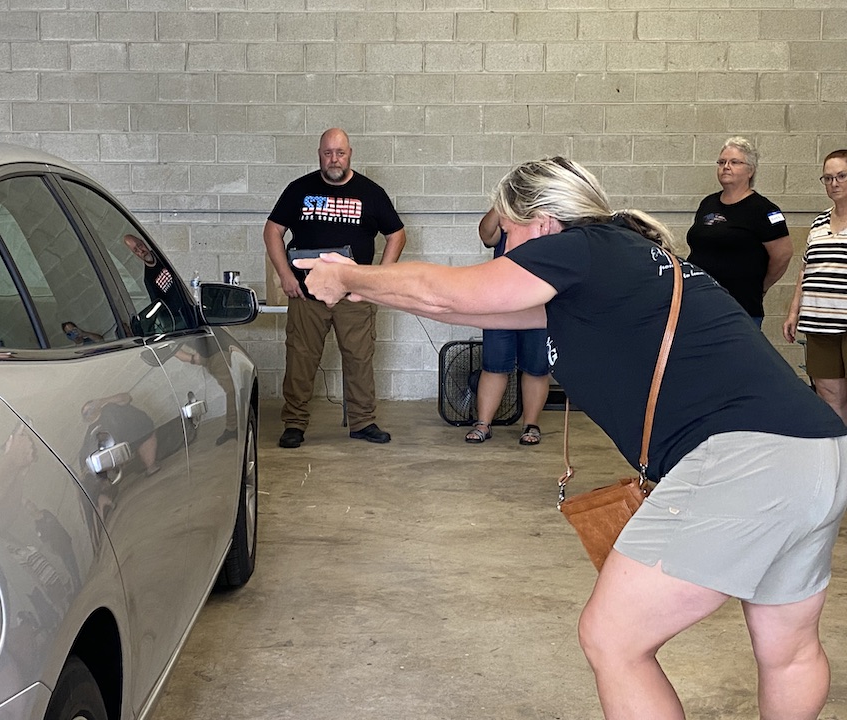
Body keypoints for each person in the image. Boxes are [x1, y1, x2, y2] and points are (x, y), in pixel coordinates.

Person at [296, 156, 847, 719]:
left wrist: (348, 273)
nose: (505, 246)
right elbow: (476, 309)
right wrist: (376, 290)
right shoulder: (621, 258)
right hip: (818, 453)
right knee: (789, 649)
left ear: (539, 220)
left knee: (613, 638)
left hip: (746, 460)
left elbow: (454, 292)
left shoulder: (576, 248)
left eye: (507, 231)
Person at [263, 128, 406, 449]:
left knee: (359, 358)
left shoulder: (370, 193)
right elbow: (272, 231)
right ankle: (295, 423)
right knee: (300, 359)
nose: (334, 159)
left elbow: (397, 234)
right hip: (307, 294)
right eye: (328, 153)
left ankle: (363, 421)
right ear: (319, 154)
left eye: (339, 153)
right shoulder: (299, 189)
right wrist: (285, 275)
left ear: (350, 153)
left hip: (354, 295)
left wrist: (379, 279)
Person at [685, 136, 792, 328]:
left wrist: (761, 285)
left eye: (734, 162)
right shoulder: (708, 203)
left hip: (739, 307)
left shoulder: (764, 210)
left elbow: (783, 254)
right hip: (699, 302)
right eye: (722, 162)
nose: (726, 166)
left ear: (750, 170)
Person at [465, 207, 550, 445]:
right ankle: (483, 424)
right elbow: (486, 234)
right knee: (494, 364)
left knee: (536, 367)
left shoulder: (549, 217)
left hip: (538, 301)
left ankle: (530, 425)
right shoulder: (507, 215)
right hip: (502, 301)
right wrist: (502, 203)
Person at [783, 149, 847, 424]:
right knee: (829, 396)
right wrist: (793, 312)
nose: (834, 183)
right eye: (828, 178)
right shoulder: (819, 222)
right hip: (819, 323)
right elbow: (805, 269)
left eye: (841, 176)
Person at [123, 233, 194, 330]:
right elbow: (158, 305)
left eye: (140, 245)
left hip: (191, 308)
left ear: (144, 243)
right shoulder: (148, 278)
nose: (141, 251)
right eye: (136, 250)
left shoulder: (164, 256)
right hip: (180, 321)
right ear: (135, 255)